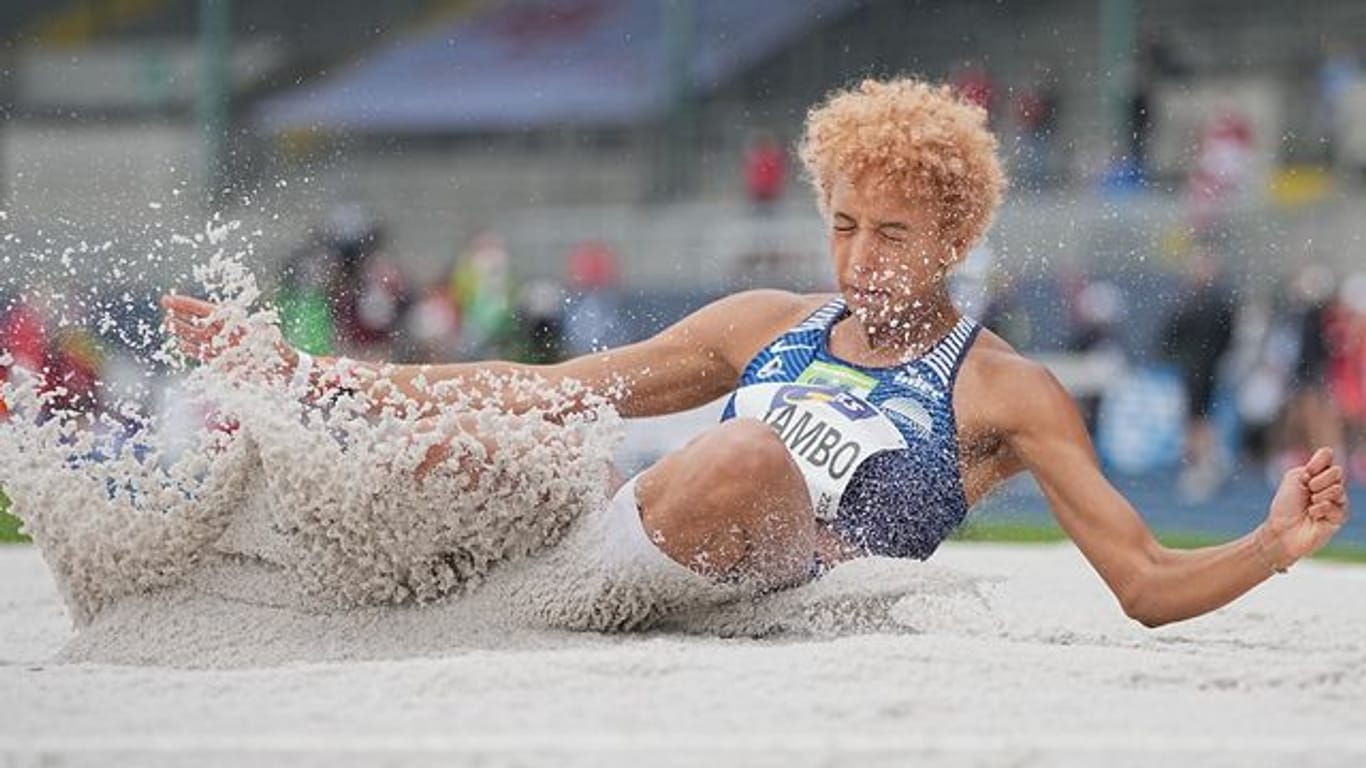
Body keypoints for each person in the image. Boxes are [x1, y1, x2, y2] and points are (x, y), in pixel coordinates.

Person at [163, 77, 1350, 629]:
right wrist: (314, 376)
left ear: (955, 237)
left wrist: (1269, 542)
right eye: (843, 225)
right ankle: (282, 584)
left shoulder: (1006, 389)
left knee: (744, 463)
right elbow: (551, 385)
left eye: (894, 234)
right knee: (500, 440)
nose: (861, 257)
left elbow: (1142, 582)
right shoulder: (766, 323)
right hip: (637, 543)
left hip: (783, 591)